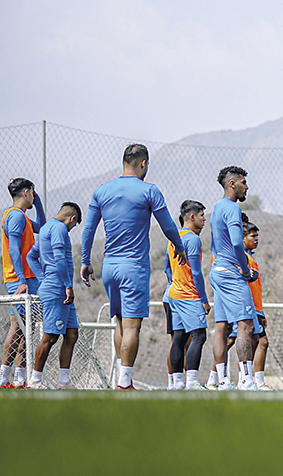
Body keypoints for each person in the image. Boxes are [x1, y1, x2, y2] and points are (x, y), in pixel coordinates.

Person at [79, 144, 186, 390]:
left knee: (119, 322)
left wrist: (85, 261)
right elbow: (168, 225)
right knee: (132, 326)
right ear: (144, 163)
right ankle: (125, 383)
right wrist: (179, 246)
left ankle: (121, 377)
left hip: (108, 267)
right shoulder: (149, 190)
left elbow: (88, 231)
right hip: (133, 267)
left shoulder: (101, 190)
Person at [206, 165, 259, 391]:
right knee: (245, 326)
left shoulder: (216, 208)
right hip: (231, 274)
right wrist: (245, 269)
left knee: (221, 328)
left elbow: (213, 245)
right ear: (232, 184)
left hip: (218, 271)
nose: (246, 187)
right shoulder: (232, 208)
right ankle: (246, 381)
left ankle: (223, 381)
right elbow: (238, 243)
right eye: (243, 183)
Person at [0, 177, 46, 388]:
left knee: (29, 329)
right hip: (19, 279)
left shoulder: (23, 216)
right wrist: (22, 280)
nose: (34, 196)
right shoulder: (15, 216)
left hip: (28, 278)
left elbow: (42, 228)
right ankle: (1, 379)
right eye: (33, 193)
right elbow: (14, 250)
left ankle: (18, 379)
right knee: (17, 327)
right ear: (27, 192)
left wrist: (40, 205)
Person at [29, 202, 82, 389]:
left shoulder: (45, 228)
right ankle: (35, 381)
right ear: (72, 219)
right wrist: (67, 285)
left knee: (71, 333)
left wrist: (43, 277)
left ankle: (64, 382)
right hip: (57, 289)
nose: (70, 230)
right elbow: (59, 259)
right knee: (50, 337)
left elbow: (31, 256)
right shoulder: (59, 228)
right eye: (73, 226)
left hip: (57, 288)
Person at [163, 200, 210, 391]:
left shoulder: (173, 239)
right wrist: (204, 300)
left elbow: (167, 267)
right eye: (201, 215)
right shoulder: (193, 239)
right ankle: (192, 382)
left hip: (173, 294)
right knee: (199, 335)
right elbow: (197, 273)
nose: (204, 219)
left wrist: (175, 282)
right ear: (192, 217)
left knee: (179, 338)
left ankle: (177, 383)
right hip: (188, 296)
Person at [242, 221, 270, 389]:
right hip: (247, 307)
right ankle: (215, 377)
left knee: (258, 342)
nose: (256, 239)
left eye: (257, 236)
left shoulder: (251, 257)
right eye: (253, 236)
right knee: (234, 340)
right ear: (243, 238)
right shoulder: (243, 258)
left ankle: (254, 381)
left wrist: (261, 311)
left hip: (255, 309)